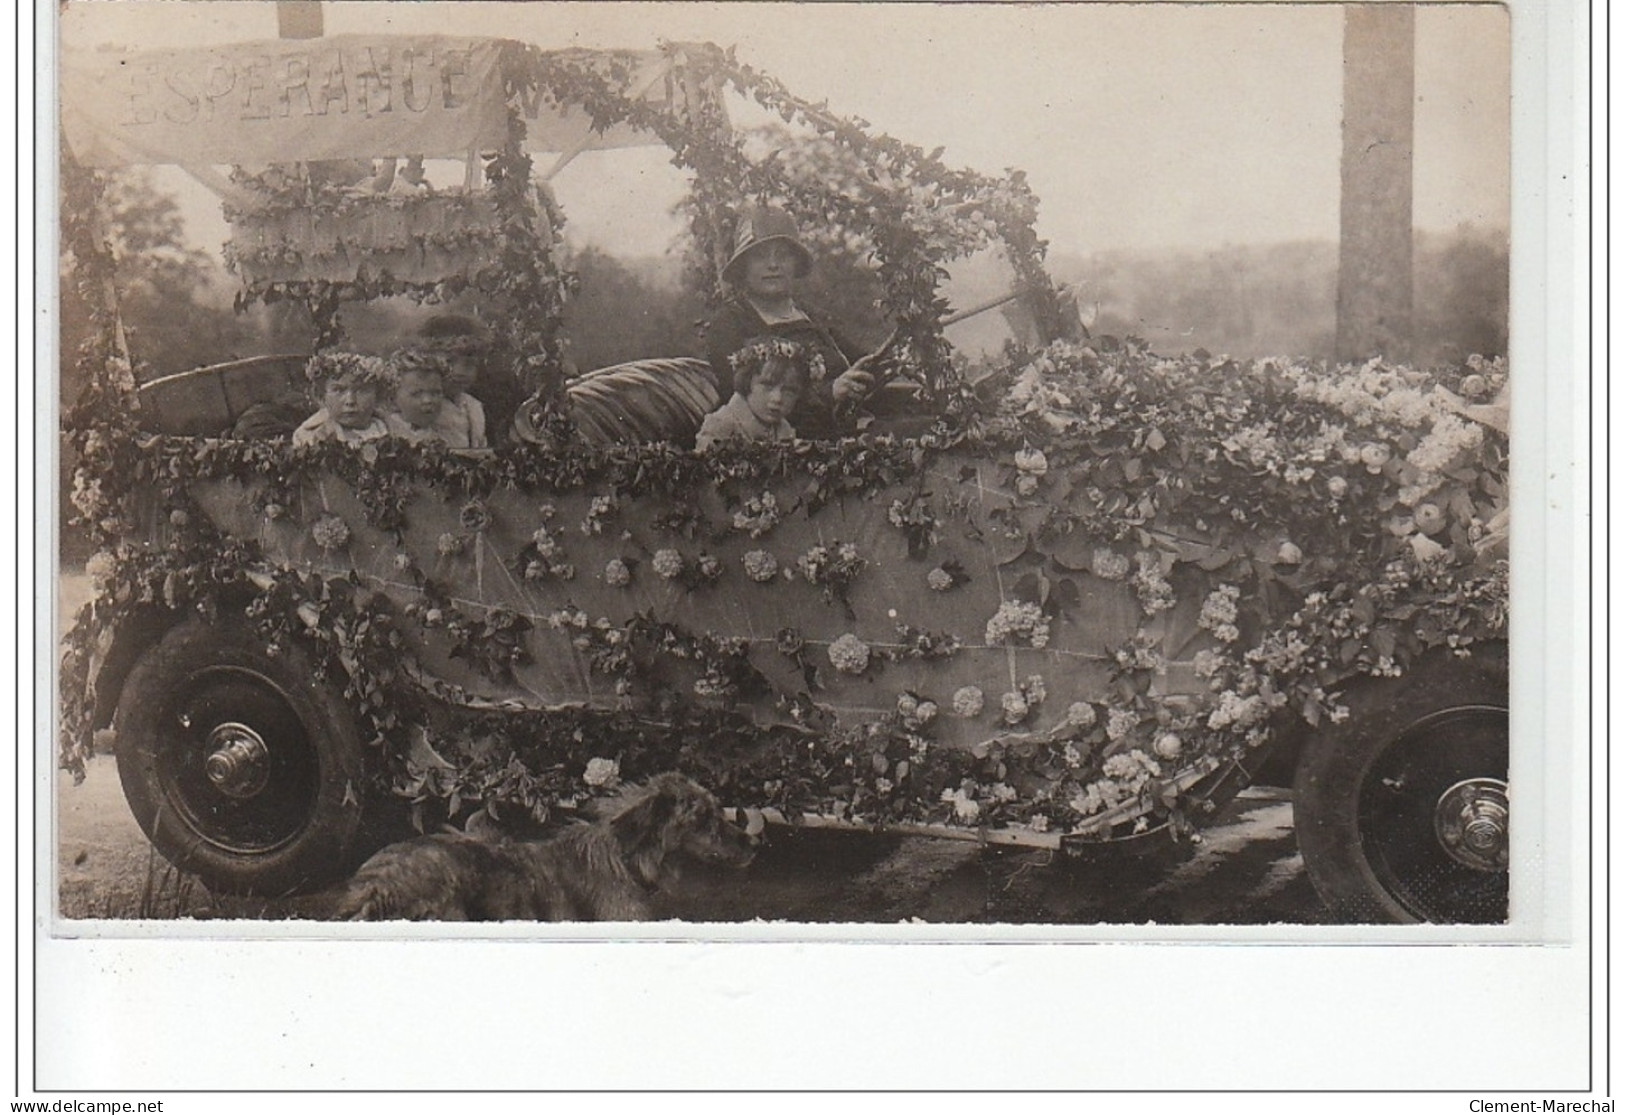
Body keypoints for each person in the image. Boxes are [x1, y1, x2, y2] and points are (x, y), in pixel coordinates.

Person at [702, 205, 877, 440]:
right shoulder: (730, 323)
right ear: (744, 267)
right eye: (761, 256)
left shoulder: (811, 317)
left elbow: (862, 362)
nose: (773, 265)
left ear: (795, 264)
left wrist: (884, 365)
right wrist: (830, 393)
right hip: (788, 445)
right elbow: (747, 400)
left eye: (782, 255)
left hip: (851, 427)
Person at [696, 336, 816, 451]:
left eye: (789, 391)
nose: (778, 398)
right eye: (768, 386)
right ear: (747, 382)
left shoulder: (783, 429)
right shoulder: (722, 425)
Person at [417, 314, 521, 445]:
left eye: (469, 365)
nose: (460, 372)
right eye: (449, 362)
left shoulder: (473, 406)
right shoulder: (420, 406)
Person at [383, 348, 485, 448]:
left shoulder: (444, 435)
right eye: (416, 394)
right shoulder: (387, 431)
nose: (428, 400)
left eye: (435, 393)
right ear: (393, 399)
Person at [291, 352, 392, 448]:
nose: (350, 401)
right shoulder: (310, 437)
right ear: (321, 396)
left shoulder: (392, 431)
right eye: (338, 390)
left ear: (378, 395)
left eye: (361, 390)